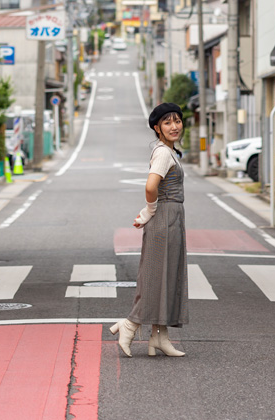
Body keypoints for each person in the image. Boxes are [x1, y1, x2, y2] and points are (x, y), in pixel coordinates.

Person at [110, 101, 189, 357]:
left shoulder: (169, 150)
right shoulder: (164, 153)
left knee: (166, 277)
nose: (174, 126)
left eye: (177, 121)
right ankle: (130, 325)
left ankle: (160, 337)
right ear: (157, 128)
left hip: (172, 218)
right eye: (167, 122)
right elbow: (150, 185)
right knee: (155, 278)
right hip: (164, 218)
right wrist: (150, 210)